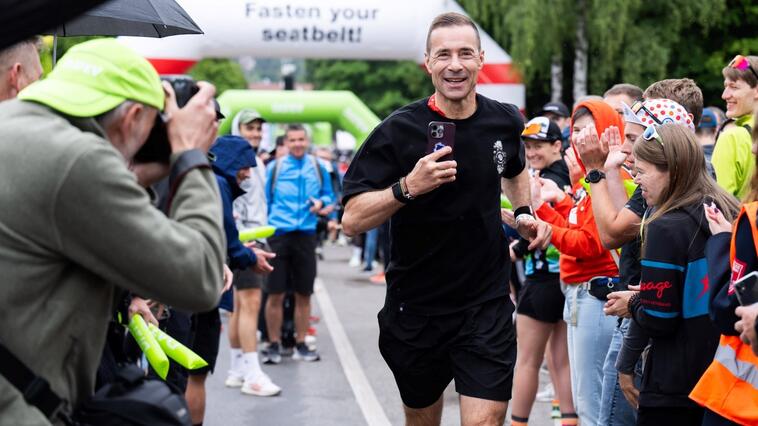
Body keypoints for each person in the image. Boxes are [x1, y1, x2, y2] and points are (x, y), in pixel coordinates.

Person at [341, 12, 552, 425]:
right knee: (422, 418)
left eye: (464, 54)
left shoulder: (505, 120)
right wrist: (407, 187)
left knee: (483, 421)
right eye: (444, 55)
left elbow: (514, 170)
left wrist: (524, 213)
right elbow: (351, 220)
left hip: (485, 304)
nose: (454, 64)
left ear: (479, 60)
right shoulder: (396, 131)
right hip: (416, 308)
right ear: (428, 63)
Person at [0, 38, 224, 423]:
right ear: (133, 117)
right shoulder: (78, 160)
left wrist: (135, 175)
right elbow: (200, 278)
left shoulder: (17, 128)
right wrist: (190, 155)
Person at [604, 124, 739, 424]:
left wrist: (634, 303)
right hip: (723, 378)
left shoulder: (665, 226)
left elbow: (659, 318)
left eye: (641, 172)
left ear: (672, 170)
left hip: (675, 384)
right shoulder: (728, 208)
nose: (637, 182)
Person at [529, 99, 622, 426]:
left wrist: (543, 221)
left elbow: (589, 243)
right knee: (589, 399)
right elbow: (577, 229)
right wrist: (541, 208)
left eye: (587, 130)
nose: (579, 138)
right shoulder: (592, 179)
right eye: (576, 130)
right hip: (583, 293)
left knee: (593, 404)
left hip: (596, 296)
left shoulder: (608, 178)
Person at [689, 112, 758, 425]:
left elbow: (726, 310)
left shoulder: (753, 220)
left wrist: (720, 244)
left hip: (743, 400)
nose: (753, 149)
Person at [509, 116, 575, 426]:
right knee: (560, 361)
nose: (531, 152)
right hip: (566, 280)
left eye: (538, 146)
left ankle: (518, 422)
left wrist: (516, 249)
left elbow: (544, 232)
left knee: (526, 362)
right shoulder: (568, 174)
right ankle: (569, 420)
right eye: (528, 146)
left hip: (544, 278)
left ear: (557, 145)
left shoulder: (547, 181)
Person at [208, 135, 280, 400]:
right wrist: (248, 254)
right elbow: (228, 230)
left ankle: (239, 368)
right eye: (250, 127)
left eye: (259, 127)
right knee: (248, 306)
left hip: (240, 245)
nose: (248, 172)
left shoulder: (211, 176)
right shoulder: (220, 183)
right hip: (244, 241)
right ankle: (251, 373)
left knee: (237, 308)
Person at [264, 124, 334, 363]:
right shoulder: (274, 167)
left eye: (301, 140)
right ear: (286, 143)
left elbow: (330, 196)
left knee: (304, 293)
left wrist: (321, 204)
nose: (297, 144)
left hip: (306, 234)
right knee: (275, 293)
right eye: (292, 140)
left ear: (307, 141)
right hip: (278, 235)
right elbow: (263, 201)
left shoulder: (317, 166)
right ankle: (273, 344)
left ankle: (301, 343)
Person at [712, 55, 758, 199]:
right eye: (726, 87)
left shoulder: (732, 137)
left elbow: (718, 205)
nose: (724, 95)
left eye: (734, 87)